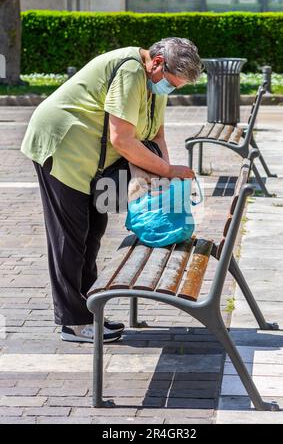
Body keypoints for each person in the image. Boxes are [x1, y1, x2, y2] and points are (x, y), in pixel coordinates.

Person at [21, 37, 202, 343]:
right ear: (157, 63)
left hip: (93, 158)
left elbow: (156, 134)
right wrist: (168, 171)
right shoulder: (131, 71)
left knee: (94, 230)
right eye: (171, 83)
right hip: (62, 146)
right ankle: (73, 322)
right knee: (70, 235)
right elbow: (122, 139)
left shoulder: (153, 81)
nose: (170, 90)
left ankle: (90, 310)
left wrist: (165, 176)